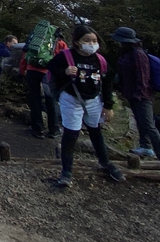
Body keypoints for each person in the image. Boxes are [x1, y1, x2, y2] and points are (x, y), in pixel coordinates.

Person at [47, 24, 124, 187]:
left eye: (94, 40)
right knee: (71, 134)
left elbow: (108, 81)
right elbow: (51, 68)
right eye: (87, 40)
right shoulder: (66, 56)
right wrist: (65, 71)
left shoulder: (100, 60)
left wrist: (108, 105)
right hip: (71, 99)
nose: (91, 44)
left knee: (95, 131)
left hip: (94, 100)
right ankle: (66, 172)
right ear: (77, 41)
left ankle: (105, 163)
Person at [115, 27, 160, 162]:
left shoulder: (138, 54)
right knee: (141, 122)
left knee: (148, 125)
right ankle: (145, 146)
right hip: (132, 94)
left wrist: (140, 93)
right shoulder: (127, 53)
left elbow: (143, 76)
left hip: (142, 95)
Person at [21, 28, 67, 139]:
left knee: (34, 98)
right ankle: (54, 129)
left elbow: (25, 55)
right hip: (48, 72)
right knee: (51, 99)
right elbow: (65, 58)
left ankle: (37, 129)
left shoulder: (35, 40)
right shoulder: (59, 43)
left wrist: (22, 70)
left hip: (32, 70)